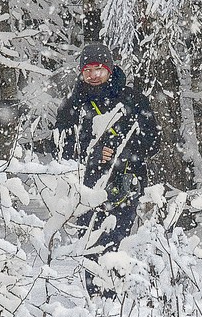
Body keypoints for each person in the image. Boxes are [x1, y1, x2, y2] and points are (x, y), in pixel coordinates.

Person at [53, 42, 160, 296]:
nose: (93, 75)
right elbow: (59, 146)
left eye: (99, 69)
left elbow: (153, 141)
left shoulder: (132, 99)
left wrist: (122, 152)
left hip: (126, 184)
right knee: (90, 244)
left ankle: (117, 299)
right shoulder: (72, 105)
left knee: (118, 242)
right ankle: (95, 300)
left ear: (110, 69)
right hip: (87, 188)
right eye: (88, 70)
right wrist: (92, 152)